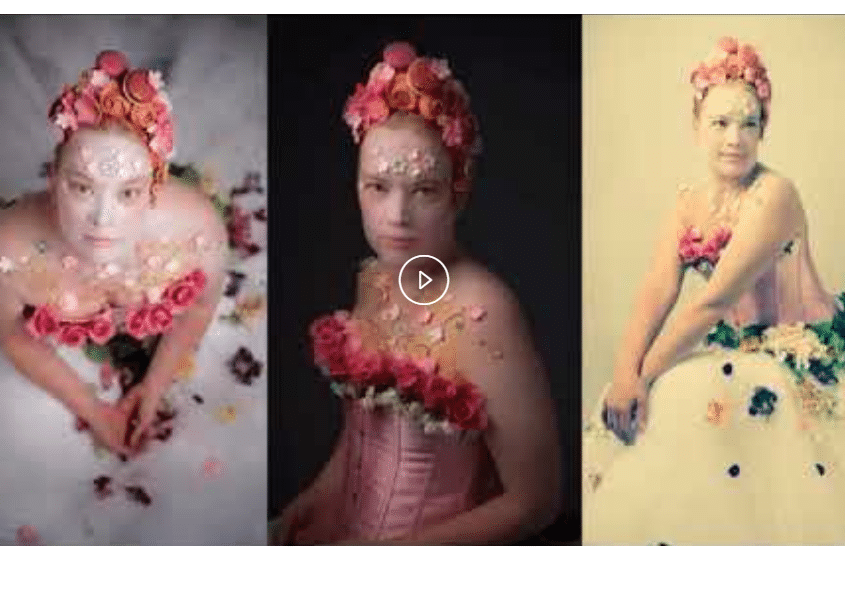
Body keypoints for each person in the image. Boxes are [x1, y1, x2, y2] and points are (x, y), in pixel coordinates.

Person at [272, 42, 560, 544]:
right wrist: (306, 507)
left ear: (458, 190)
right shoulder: (376, 278)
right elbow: (363, 432)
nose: (396, 218)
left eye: (424, 190)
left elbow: (535, 503)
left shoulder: (485, 310)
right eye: (377, 187)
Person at [0, 50, 269, 545]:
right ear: (53, 178)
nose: (103, 220)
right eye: (82, 187)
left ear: (153, 189)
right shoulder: (10, 248)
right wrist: (91, 408)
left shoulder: (195, 228)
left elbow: (202, 304)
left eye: (127, 193)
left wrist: (157, 382)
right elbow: (11, 335)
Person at [584, 37, 845, 544]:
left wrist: (645, 375)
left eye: (749, 124)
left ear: (764, 129)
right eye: (720, 123)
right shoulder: (689, 204)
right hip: (734, 346)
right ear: (696, 125)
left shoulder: (775, 195)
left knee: (681, 391)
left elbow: (714, 299)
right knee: (663, 401)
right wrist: (624, 372)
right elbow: (657, 288)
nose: (735, 139)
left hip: (800, 351)